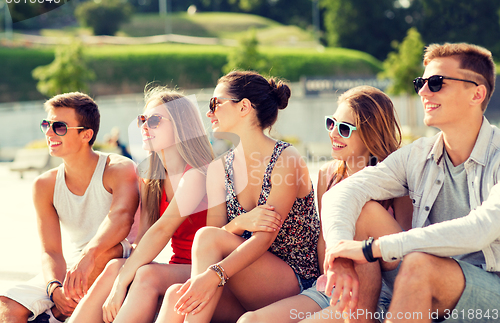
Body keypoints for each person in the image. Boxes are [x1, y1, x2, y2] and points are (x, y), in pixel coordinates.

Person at [322, 43, 500, 323]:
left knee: (419, 262)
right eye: (421, 82)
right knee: (365, 210)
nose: (423, 91)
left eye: (437, 82)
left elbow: (479, 230)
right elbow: (342, 192)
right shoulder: (418, 154)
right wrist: (340, 252)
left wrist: (371, 249)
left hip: (490, 289)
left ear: (477, 93)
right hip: (418, 273)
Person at [155, 70, 321, 323]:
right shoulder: (219, 168)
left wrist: (212, 276)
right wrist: (239, 223)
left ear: (244, 107)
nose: (209, 112)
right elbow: (215, 232)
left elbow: (263, 240)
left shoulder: (286, 158)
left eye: (215, 104)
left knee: (205, 244)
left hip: (293, 282)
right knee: (176, 296)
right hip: (240, 278)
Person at [237, 86, 412, 322]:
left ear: (371, 133)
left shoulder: (397, 178)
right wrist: (333, 278)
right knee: (250, 320)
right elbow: (323, 238)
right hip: (331, 288)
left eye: (344, 128)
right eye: (331, 123)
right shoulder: (327, 174)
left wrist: (358, 256)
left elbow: (402, 254)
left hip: (381, 293)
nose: (333, 133)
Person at [68, 87, 214, 323]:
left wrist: (122, 283)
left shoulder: (198, 174)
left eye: (155, 120)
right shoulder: (151, 175)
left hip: (205, 270)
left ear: (181, 126)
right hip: (176, 268)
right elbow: (145, 235)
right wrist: (121, 273)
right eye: (142, 120)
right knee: (117, 266)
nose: (144, 127)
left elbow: (162, 230)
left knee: (144, 273)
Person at [0, 92, 139, 323]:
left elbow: (121, 218)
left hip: (118, 256)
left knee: (107, 253)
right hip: (74, 264)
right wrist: (54, 288)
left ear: (86, 135)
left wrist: (89, 254)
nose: (49, 133)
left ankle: (54, 317)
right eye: (47, 124)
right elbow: (51, 251)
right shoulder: (44, 185)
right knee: (7, 305)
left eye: (60, 127)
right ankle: (55, 313)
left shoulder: (118, 169)